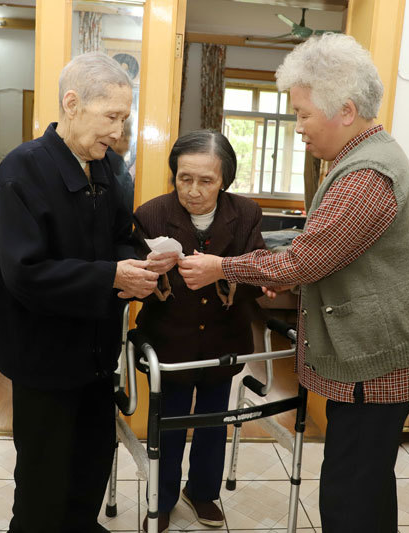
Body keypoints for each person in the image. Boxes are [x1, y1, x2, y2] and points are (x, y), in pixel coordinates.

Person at [178, 34, 409, 533]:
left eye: (302, 114)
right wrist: (289, 272)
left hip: (373, 367)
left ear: (345, 110)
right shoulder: (361, 158)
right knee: (368, 483)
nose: (297, 127)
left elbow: (303, 261)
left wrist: (223, 268)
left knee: (348, 496)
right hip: (377, 356)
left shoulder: (367, 176)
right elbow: (323, 256)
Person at [0, 52, 158, 533]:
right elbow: (25, 273)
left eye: (124, 119)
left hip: (96, 353)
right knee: (44, 479)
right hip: (42, 355)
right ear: (72, 103)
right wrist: (111, 277)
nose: (118, 132)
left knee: (91, 461)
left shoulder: (106, 167)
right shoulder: (22, 172)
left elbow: (122, 235)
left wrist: (139, 262)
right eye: (111, 117)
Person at [133, 130, 265, 533]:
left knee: (213, 421)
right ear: (174, 174)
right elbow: (131, 277)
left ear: (224, 180)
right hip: (170, 341)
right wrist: (149, 275)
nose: (193, 190)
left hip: (223, 339)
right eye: (184, 178)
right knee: (167, 426)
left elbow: (257, 269)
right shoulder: (151, 214)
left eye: (206, 181)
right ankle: (162, 500)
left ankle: (203, 492)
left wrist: (237, 277)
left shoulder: (246, 214)